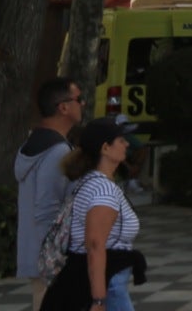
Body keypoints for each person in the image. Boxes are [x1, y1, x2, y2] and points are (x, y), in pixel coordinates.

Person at [42, 120, 148, 311]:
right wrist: (99, 300)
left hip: (101, 280)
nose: (127, 144)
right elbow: (95, 246)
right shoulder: (103, 190)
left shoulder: (91, 182)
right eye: (121, 140)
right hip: (108, 284)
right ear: (105, 148)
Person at [16, 77, 85, 310]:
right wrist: (59, 259)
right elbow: (48, 209)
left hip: (40, 256)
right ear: (63, 107)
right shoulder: (57, 151)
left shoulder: (32, 145)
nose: (83, 104)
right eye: (78, 99)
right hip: (51, 262)